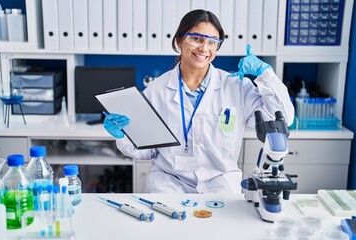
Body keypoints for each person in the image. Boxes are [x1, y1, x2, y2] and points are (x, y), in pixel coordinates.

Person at [103, 9, 294, 193]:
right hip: (169, 182)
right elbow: (147, 151)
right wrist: (123, 135)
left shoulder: (237, 87)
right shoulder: (156, 91)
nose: (204, 48)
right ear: (179, 40)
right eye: (196, 39)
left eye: (212, 42)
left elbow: (283, 118)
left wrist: (265, 74)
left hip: (220, 182)